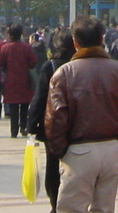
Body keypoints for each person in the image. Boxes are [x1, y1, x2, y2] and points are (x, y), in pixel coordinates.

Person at [45, 16, 118, 213]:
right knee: (104, 208)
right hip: (113, 148)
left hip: (78, 149)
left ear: (75, 42)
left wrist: (61, 150)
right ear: (101, 39)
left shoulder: (64, 73)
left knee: (71, 208)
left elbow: (55, 119)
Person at [29, 29, 76, 213]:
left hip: (54, 125)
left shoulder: (50, 66)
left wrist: (32, 125)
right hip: (77, 124)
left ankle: (55, 205)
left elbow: (40, 98)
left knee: (53, 166)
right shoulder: (80, 64)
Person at [0, 24, 38, 137]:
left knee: (13, 106)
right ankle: (23, 127)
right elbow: (33, 61)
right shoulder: (27, 48)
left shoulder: (5, 48)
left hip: (10, 80)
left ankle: (13, 130)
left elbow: (0, 62)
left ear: (10, 35)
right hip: (25, 80)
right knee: (25, 105)